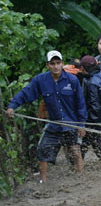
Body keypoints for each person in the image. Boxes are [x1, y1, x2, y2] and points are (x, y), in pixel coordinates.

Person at [6, 50, 87, 182]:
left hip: (70, 123)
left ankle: (81, 178)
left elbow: (81, 103)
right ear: (47, 65)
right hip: (54, 124)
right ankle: (43, 182)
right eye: (52, 63)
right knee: (43, 151)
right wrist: (12, 106)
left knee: (75, 151)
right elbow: (26, 93)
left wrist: (81, 125)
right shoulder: (41, 80)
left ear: (62, 63)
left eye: (58, 63)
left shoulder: (72, 80)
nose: (56, 66)